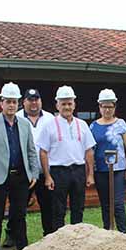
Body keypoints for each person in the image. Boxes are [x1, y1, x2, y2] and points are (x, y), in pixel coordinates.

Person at [0, 83, 39, 250]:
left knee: (19, 215)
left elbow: (31, 150)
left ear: (18, 103)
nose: (11, 105)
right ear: (1, 103)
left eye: (14, 102)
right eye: (8, 101)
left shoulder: (25, 124)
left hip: (20, 176)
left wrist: (34, 173)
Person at [37, 85, 96, 231]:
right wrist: (47, 176)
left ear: (74, 104)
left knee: (78, 208)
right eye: (63, 103)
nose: (67, 107)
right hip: (58, 171)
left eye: (69, 103)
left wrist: (90, 175)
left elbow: (89, 151)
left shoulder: (82, 125)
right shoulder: (49, 125)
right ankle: (60, 241)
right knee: (58, 209)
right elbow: (43, 152)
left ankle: (77, 239)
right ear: (57, 104)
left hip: (78, 170)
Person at [89, 88, 126, 232]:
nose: (107, 109)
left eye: (110, 106)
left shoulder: (121, 124)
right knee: (105, 204)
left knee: (118, 203)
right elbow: (89, 150)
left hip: (118, 169)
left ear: (114, 106)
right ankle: (107, 232)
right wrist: (90, 172)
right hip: (100, 170)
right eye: (104, 106)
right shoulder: (93, 126)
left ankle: (122, 233)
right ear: (99, 107)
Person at [15, 88, 56, 238]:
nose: (34, 103)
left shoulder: (50, 118)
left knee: (48, 207)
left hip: (46, 171)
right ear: (24, 102)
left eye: (36, 99)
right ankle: (14, 235)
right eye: (30, 100)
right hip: (24, 171)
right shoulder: (17, 117)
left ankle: (49, 235)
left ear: (40, 101)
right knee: (19, 207)